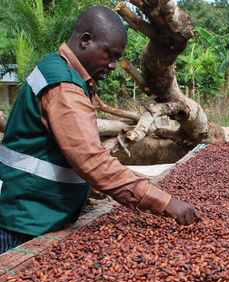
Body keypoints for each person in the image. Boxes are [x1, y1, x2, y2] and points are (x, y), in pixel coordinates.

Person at [0, 7, 201, 253]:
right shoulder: (63, 85)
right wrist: (165, 202)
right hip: (28, 221)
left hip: (39, 211)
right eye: (110, 54)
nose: (114, 65)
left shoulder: (63, 72)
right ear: (86, 41)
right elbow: (91, 161)